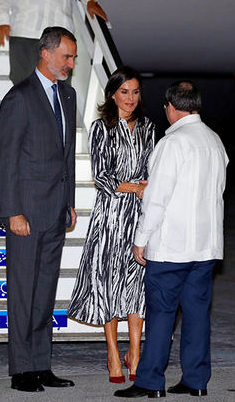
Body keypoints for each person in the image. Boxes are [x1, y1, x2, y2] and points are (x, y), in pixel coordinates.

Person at [115, 81, 228, 398]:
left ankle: (150, 381)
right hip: (205, 247)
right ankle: (196, 380)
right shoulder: (214, 141)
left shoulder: (172, 143)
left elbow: (156, 199)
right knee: (196, 315)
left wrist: (141, 239)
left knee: (161, 313)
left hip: (171, 247)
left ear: (171, 106)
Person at [0, 26, 78, 393]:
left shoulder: (68, 95)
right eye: (66, 57)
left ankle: (41, 364)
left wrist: (69, 200)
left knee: (44, 294)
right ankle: (21, 369)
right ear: (45, 53)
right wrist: (11, 212)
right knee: (24, 293)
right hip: (25, 215)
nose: (71, 64)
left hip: (56, 211)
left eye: (73, 58)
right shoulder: (20, 97)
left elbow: (67, 155)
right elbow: (5, 160)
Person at [68, 67, 155, 383]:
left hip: (140, 215)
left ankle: (136, 354)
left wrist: (145, 189)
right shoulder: (100, 128)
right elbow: (102, 178)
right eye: (124, 92)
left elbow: (152, 170)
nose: (130, 98)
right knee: (109, 284)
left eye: (135, 92)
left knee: (137, 286)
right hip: (111, 218)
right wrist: (136, 186)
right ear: (112, 94)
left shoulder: (147, 127)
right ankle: (114, 355)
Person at [0, 0, 107, 85]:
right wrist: (2, 19)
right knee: (23, 87)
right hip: (25, 31)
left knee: (60, 88)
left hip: (60, 33)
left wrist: (90, 0)